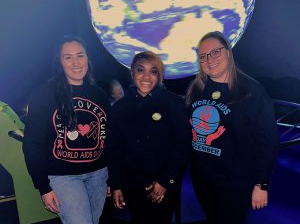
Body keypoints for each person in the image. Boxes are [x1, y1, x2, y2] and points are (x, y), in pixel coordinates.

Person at [186, 31, 279, 224]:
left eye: (215, 52)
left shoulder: (251, 91)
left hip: (236, 183)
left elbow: (268, 141)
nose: (209, 60)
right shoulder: (196, 89)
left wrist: (261, 184)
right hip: (203, 180)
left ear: (228, 52)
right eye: (203, 56)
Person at [23, 35, 110, 224]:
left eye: (80, 55)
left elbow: (109, 138)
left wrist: (112, 178)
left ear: (88, 59)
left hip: (99, 175)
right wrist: (43, 187)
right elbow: (32, 144)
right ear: (59, 62)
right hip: (64, 178)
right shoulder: (44, 95)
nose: (76, 62)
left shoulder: (99, 94)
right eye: (68, 57)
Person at [106, 51, 191, 224]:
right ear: (132, 73)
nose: (146, 76)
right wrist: (115, 185)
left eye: (153, 71)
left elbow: (182, 145)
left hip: (163, 184)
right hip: (131, 185)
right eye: (140, 70)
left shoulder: (173, 103)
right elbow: (114, 149)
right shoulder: (120, 108)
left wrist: (166, 180)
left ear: (160, 76)